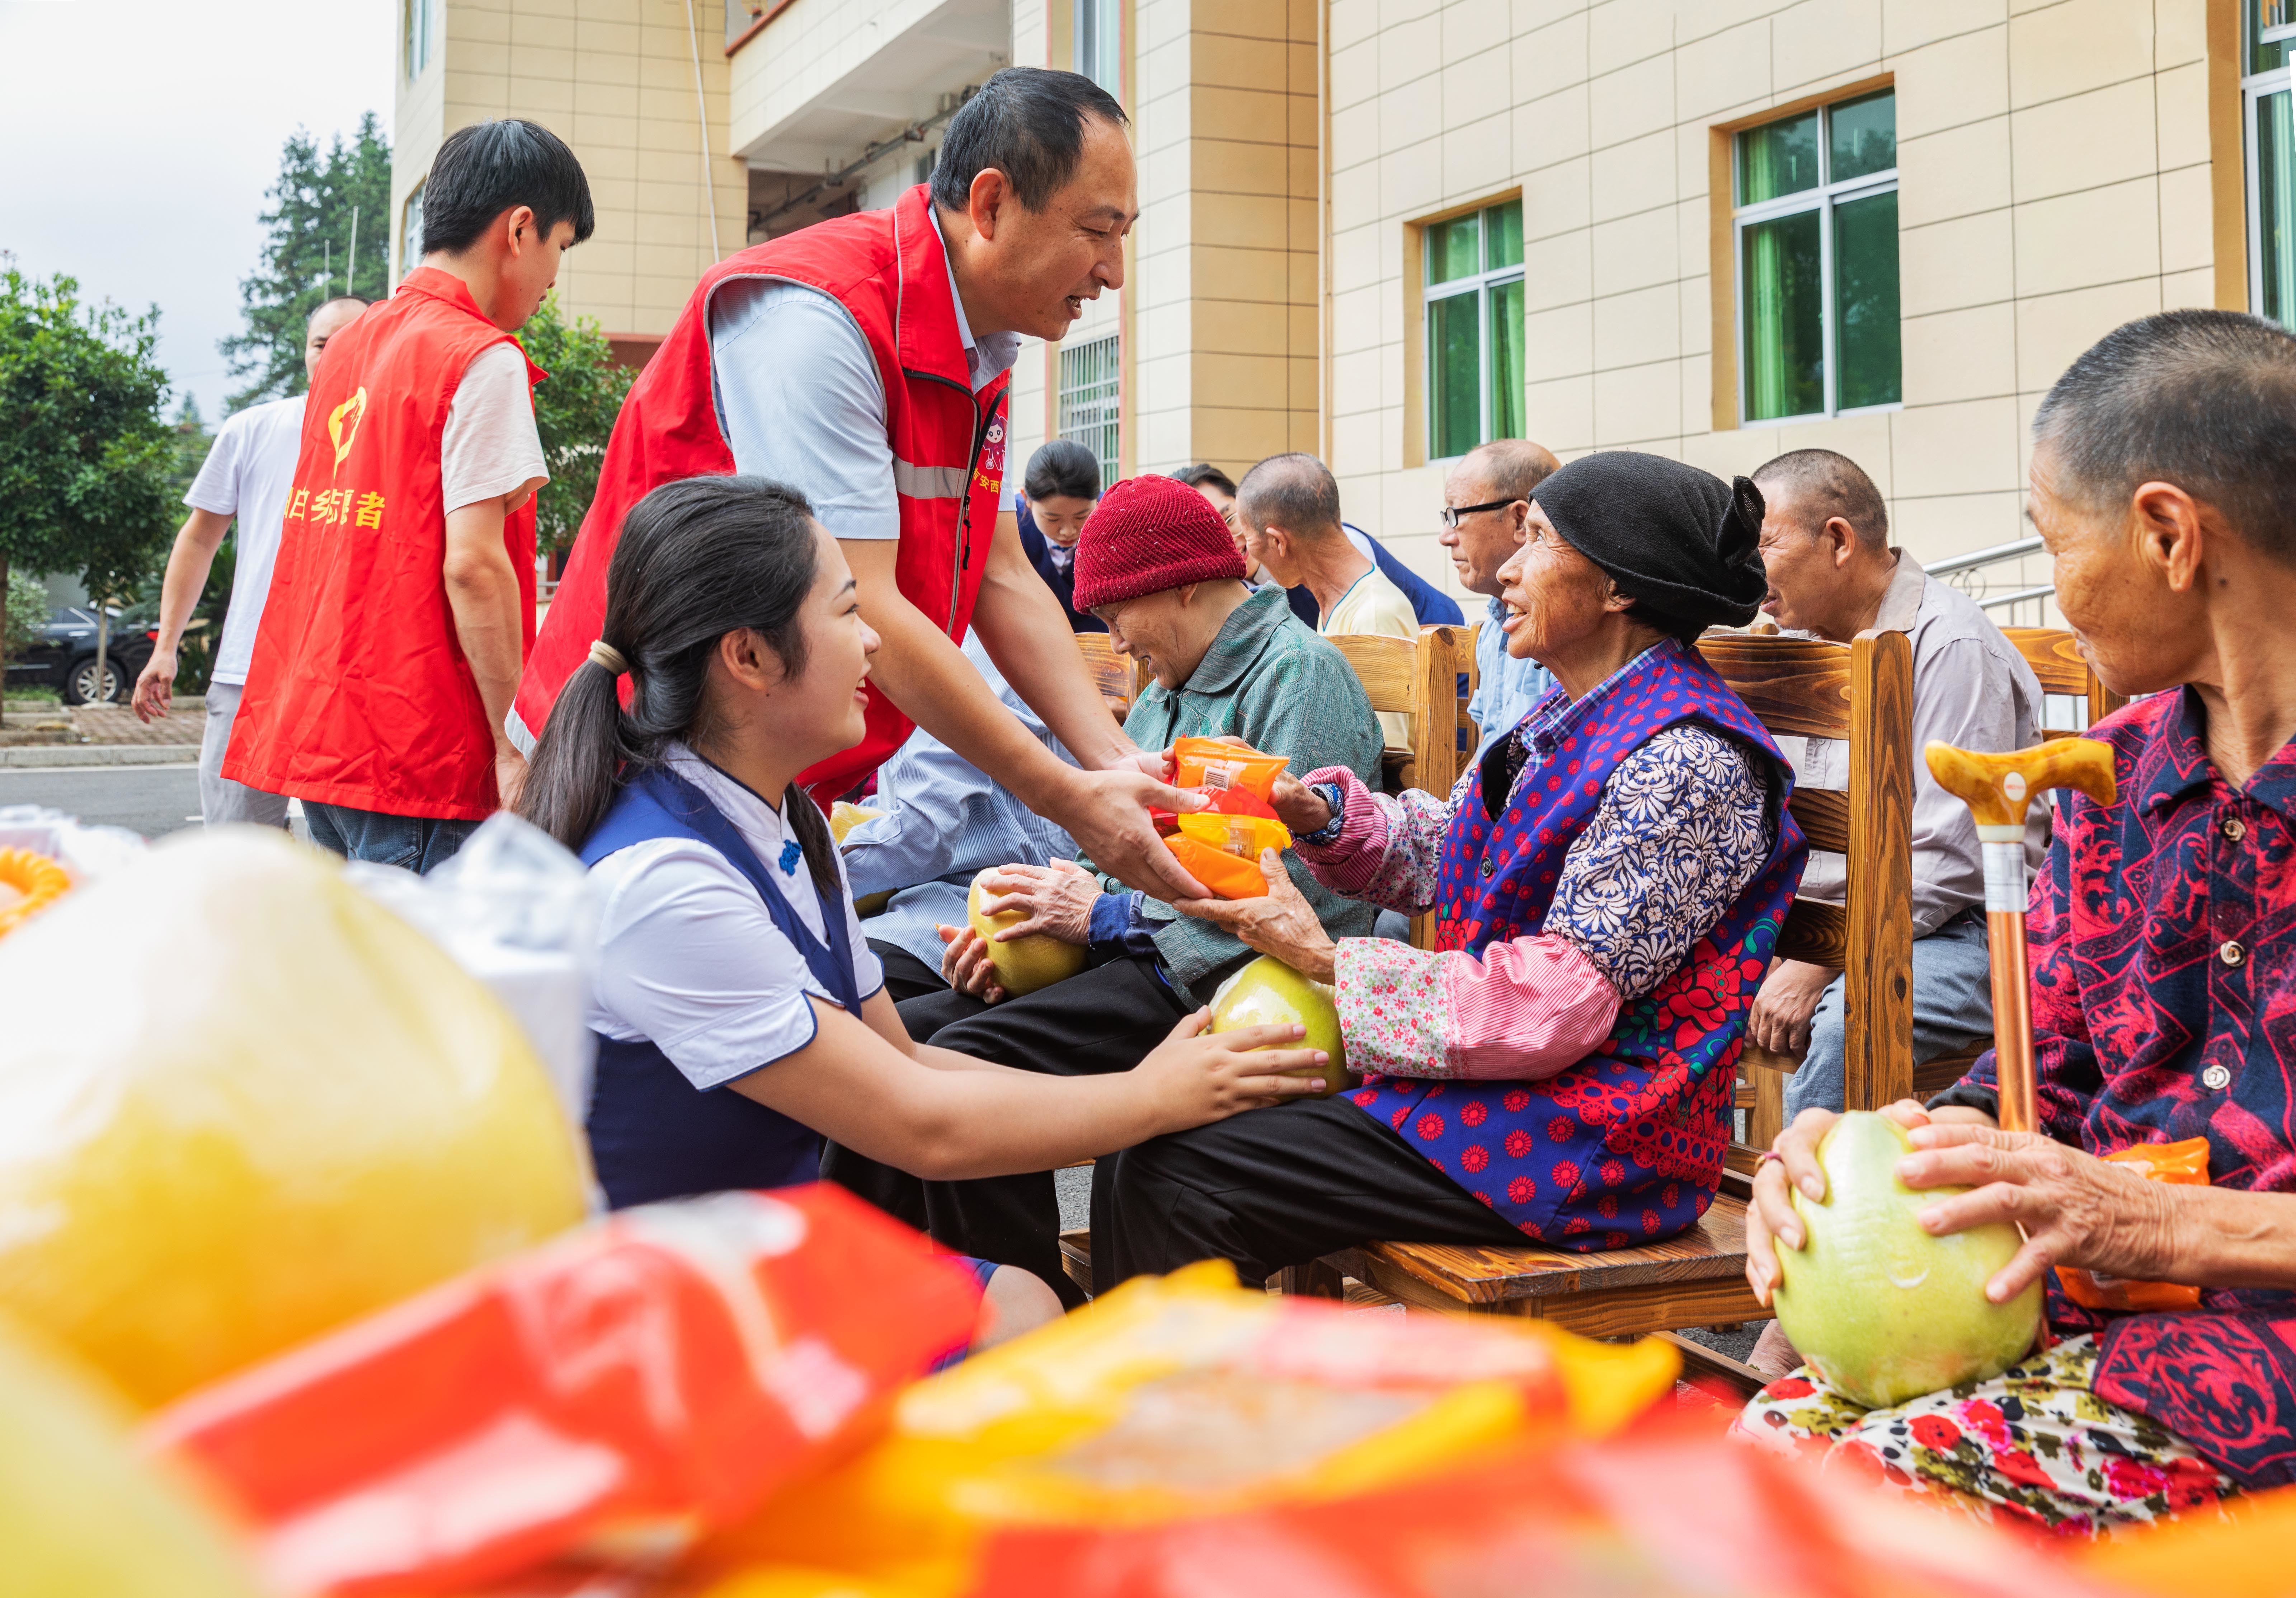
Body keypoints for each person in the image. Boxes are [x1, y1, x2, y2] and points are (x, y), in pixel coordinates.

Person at [513, 475, 1334, 1347]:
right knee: (1020, 1325)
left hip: (756, 1257)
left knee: (1022, 1301)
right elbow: (919, 1123)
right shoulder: (665, 883)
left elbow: (902, 1063)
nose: (872, 642)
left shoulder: (786, 821)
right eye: (844, 614)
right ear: (749, 658)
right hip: (665, 1313)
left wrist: (1151, 1090)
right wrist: (1150, 1098)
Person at [1736, 310, 2296, 1534]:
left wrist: (2155, 1219)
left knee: (1858, 1498)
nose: (2053, 587)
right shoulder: (2105, 781)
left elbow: (2121, 1203)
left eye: (2054, 541)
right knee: (1765, 1450)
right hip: (2094, 1317)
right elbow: (2030, 1080)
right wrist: (1877, 1166)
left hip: (2257, 1366)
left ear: (2169, 535)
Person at [1091, 452, 1805, 1290]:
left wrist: (1321, 959)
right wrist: (1312, 811)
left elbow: (1552, 1006)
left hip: (1597, 1142)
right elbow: (1455, 846)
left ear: (1616, 590)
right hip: (1507, 1101)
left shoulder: (1685, 761)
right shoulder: (1572, 708)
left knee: (1176, 1174)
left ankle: (1184, 1413)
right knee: (1156, 1139)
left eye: (1536, 539)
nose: (1505, 567)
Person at [519, 69, 1208, 909]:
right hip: (644, 758)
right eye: (1099, 231)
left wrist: (1111, 759)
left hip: (761, 762)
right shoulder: (819, 318)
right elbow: (863, 601)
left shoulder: (978, 346)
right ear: (990, 206)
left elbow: (1000, 574)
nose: (1113, 272)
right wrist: (1063, 797)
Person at [822, 473, 1384, 1304]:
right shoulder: (1169, 691)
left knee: (958, 1068)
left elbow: (1291, 893)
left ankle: (1028, 1320)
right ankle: (892, 1308)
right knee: (886, 1053)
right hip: (1144, 960)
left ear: (1183, 585)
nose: (1115, 645)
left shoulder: (1301, 674)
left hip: (1219, 981)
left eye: (1117, 616)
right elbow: (1118, 845)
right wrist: (1028, 920)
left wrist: (1100, 914)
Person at [225, 119, 589, 873]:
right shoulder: (481, 357)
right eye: (560, 246)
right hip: (422, 756)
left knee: (363, 979)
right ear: (519, 229)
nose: (556, 275)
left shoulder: (351, 345)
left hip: (323, 735)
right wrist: (511, 744)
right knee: (430, 983)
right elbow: (474, 567)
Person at [1745, 449, 2046, 1122]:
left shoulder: (1951, 646)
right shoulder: (1798, 643)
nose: (1748, 569)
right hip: (1824, 927)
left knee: (1843, 1026)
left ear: (1838, 541)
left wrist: (1820, 962)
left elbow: (1951, 860)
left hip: (1966, 931)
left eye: (1763, 545)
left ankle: (1816, 1216)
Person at [132, 295, 369, 826]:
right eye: (320, 344)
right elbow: (198, 540)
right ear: (304, 352)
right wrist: (165, 648)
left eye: (351, 342)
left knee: (359, 861)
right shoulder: (252, 430)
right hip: (252, 672)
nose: (333, 355)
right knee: (236, 847)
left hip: (351, 678)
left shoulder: (399, 436)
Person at [841, 629, 1080, 1002]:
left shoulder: (968, 651)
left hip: (992, 910)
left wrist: (805, 879)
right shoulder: (900, 649)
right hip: (919, 894)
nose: (864, 635)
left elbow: (923, 832)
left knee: (817, 987)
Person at [1236, 452, 1418, 749]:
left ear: (1278, 542)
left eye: (1247, 539)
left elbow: (1390, 755)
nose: (1247, 553)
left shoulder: (1373, 613)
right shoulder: (1335, 603)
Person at [1176, 460, 1463, 630]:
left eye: (1229, 518)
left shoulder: (1340, 563)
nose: (1231, 539)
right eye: (1209, 532)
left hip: (1442, 667)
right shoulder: (1243, 586)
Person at [1439, 438, 1561, 761]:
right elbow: (1482, 761)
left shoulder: (1564, 629)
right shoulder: (1493, 628)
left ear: (1520, 520)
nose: (1445, 537)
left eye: (1455, 516)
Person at [1013, 439, 1102, 632]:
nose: (1068, 531)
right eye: (1053, 519)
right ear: (1026, 498)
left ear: (1097, 498)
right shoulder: (1011, 526)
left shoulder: (1113, 518)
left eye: (1082, 516)